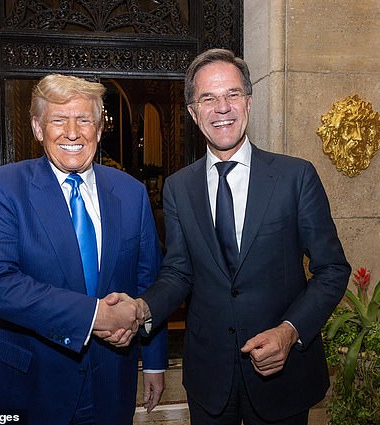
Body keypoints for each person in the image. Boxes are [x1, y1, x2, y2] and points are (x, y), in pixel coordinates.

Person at [133, 49, 351, 424]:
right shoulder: (178, 187)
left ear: (249, 103)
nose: (222, 108)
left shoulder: (295, 177)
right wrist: (141, 309)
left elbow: (332, 269)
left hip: (283, 376)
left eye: (232, 94)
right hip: (209, 377)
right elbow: (179, 273)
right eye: (208, 98)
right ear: (192, 111)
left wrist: (289, 331)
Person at [0, 73, 167, 425]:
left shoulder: (131, 193)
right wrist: (94, 316)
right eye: (58, 119)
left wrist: (154, 362)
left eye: (84, 120)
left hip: (110, 382)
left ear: (100, 129)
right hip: (27, 386)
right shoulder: (4, 187)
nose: (72, 132)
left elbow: (150, 282)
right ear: (38, 128)